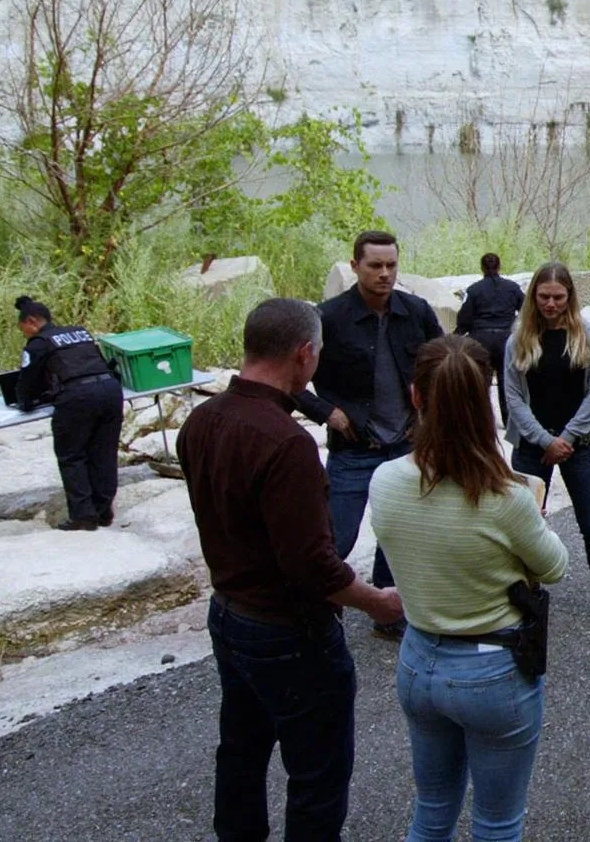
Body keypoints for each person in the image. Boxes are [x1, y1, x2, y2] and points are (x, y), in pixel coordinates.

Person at [180, 298, 405, 842]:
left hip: (229, 616)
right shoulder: (287, 444)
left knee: (240, 749)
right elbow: (311, 565)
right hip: (289, 632)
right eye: (318, 353)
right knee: (318, 774)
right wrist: (377, 601)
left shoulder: (201, 420)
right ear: (305, 354)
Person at [369, 336, 568, 842]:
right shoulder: (507, 499)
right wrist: (536, 522)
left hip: (418, 661)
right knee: (497, 824)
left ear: (416, 396)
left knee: (432, 811)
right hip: (492, 671)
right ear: (486, 399)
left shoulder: (385, 481)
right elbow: (554, 567)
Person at [297, 230, 445, 639]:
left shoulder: (416, 311)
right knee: (336, 538)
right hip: (354, 449)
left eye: (391, 265)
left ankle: (387, 611)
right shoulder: (328, 318)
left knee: (395, 533)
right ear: (355, 266)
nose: (384, 274)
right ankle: (323, 614)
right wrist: (326, 411)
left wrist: (428, 417)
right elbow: (287, 376)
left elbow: (444, 367)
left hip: (405, 445)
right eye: (375, 265)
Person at [503, 263, 590, 631]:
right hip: (532, 441)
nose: (551, 304)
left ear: (569, 297)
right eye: (544, 297)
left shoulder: (587, 335)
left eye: (558, 297)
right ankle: (524, 594)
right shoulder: (519, 337)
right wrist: (544, 440)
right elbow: (513, 398)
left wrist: (566, 438)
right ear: (533, 296)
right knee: (523, 522)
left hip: (579, 443)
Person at [13, 295, 122, 531]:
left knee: (72, 456)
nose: (24, 334)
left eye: (22, 329)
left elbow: (27, 380)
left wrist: (25, 403)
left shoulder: (38, 344)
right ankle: (103, 512)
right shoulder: (80, 332)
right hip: (111, 391)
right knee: (103, 453)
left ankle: (83, 516)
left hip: (78, 398)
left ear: (31, 321)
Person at [457, 252, 525, 421]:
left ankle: (482, 418)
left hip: (481, 339)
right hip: (506, 339)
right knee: (506, 380)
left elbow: (465, 318)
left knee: (481, 380)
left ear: (482, 268)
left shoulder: (474, 290)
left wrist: (458, 334)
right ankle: (508, 418)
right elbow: (526, 309)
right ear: (499, 266)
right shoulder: (512, 288)